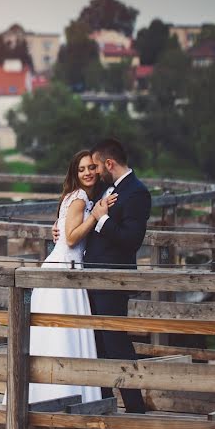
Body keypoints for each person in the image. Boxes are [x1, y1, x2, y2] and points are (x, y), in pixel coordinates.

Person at [18, 149, 116, 405]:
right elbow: (71, 238)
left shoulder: (76, 197)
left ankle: (55, 394)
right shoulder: (81, 198)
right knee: (62, 334)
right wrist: (95, 217)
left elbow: (65, 232)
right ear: (75, 173)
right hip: (65, 271)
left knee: (59, 335)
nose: (87, 173)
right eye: (81, 169)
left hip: (65, 267)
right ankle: (60, 394)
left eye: (91, 168)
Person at [84, 138, 151, 414]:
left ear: (109, 164)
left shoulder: (137, 193)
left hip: (113, 279)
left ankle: (135, 407)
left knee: (115, 341)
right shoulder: (103, 187)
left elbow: (131, 240)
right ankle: (103, 403)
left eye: (97, 166)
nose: (94, 172)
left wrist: (102, 219)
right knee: (98, 341)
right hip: (91, 276)